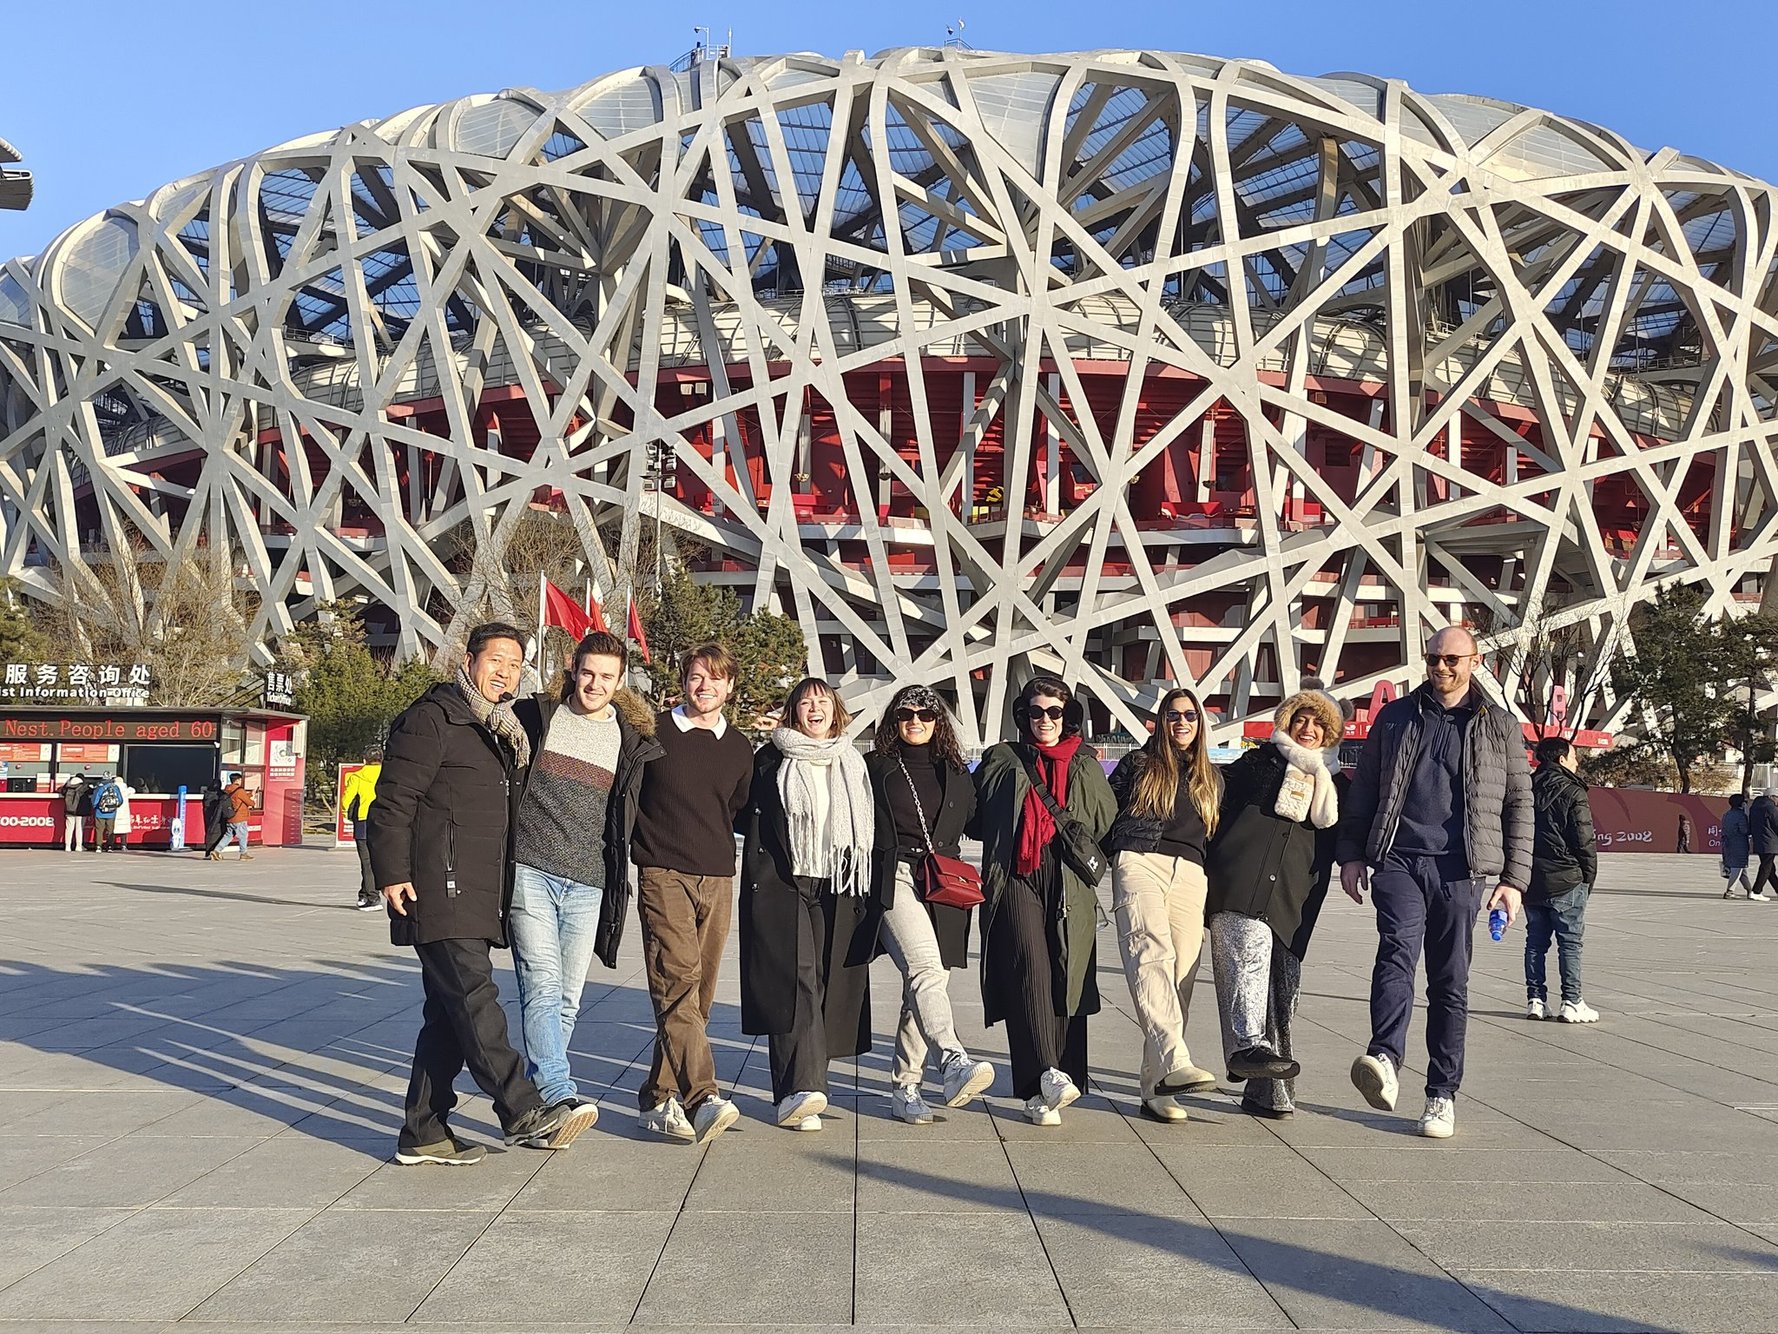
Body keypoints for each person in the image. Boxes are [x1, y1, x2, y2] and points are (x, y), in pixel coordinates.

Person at [370, 621, 594, 1165]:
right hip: (434, 887)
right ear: (467, 661)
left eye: (515, 665)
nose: (505, 672)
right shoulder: (434, 720)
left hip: (476, 889)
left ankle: (423, 1130)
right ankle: (522, 1110)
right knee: (475, 998)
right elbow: (391, 801)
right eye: (496, 660)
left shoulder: (497, 729)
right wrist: (391, 873)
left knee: (447, 1014)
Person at [1336, 626, 1531, 1140]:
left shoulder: (1500, 726)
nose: (1441, 668)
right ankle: (1384, 1056)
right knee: (1395, 951)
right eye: (1433, 658)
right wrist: (1352, 854)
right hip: (1399, 858)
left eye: (1451, 659)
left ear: (1475, 660)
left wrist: (1514, 880)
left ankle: (1441, 1094)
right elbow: (1366, 791)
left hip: (1462, 870)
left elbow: (1519, 805)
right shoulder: (1396, 716)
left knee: (1450, 982)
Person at [509, 631, 663, 1118]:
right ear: (573, 668)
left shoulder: (629, 740)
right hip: (530, 869)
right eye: (588, 672)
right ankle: (557, 1088)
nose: (594, 684)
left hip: (588, 882)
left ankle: (542, 1095)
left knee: (570, 998)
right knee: (542, 984)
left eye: (606, 677)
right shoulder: (538, 718)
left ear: (620, 682)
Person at [974, 678, 1116, 1125]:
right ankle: (1047, 1073)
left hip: (1069, 877)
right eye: (1036, 712)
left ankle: (1044, 1091)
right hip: (1017, 873)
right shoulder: (1003, 759)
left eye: (1055, 712)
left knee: (1064, 972)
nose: (1045, 721)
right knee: (1028, 969)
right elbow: (974, 816)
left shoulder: (1085, 763)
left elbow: (1104, 820)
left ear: (1067, 716)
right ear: (1024, 716)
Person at [630, 642, 755, 1144]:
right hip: (664, 873)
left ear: (729, 687)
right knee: (676, 980)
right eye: (696, 676)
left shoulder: (739, 747)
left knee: (697, 993)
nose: (705, 686)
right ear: (683, 681)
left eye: (715, 678)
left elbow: (740, 809)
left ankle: (658, 1098)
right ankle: (702, 1096)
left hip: (719, 876)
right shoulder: (654, 733)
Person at [739, 677, 876, 1130]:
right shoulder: (772, 759)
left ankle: (795, 1089)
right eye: (805, 702)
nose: (814, 708)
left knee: (823, 980)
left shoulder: (853, 761)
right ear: (793, 711)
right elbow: (742, 810)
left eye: (822, 701)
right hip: (785, 880)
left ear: (835, 709)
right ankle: (805, 1089)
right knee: (793, 979)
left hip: (838, 882)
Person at [1206, 687, 1344, 1119]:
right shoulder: (1256, 765)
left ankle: (1267, 1092)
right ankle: (1246, 1051)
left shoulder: (1337, 785)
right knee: (1247, 972)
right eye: (1300, 720)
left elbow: (1350, 838)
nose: (1308, 729)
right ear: (1285, 723)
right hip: (1240, 888)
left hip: (1292, 901)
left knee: (1284, 996)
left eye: (1318, 723)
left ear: (1330, 732)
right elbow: (1208, 798)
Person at [863, 684, 995, 1124]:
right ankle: (953, 1060)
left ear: (939, 721)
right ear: (893, 721)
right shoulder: (875, 767)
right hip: (894, 876)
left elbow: (978, 820)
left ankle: (905, 1087)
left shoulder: (955, 770)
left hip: (943, 883)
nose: (915, 721)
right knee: (924, 968)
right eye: (905, 714)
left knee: (922, 984)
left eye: (926, 714)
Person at [1104, 687, 1223, 1124]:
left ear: (1200, 722)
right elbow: (1102, 811)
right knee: (1149, 955)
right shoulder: (1138, 765)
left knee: (1181, 977)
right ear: (1160, 720)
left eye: (1190, 715)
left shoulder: (1212, 777)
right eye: (1173, 715)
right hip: (1140, 861)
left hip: (1191, 873)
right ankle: (1175, 1060)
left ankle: (1157, 1087)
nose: (1182, 723)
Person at [1524, 737, 1599, 1024]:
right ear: (1561, 759)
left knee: (1535, 943)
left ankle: (1535, 1000)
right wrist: (1587, 877)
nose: (1577, 762)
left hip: (1531, 877)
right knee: (1569, 943)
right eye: (1574, 756)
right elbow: (1584, 841)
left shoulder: (1525, 787)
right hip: (1566, 878)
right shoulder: (1573, 791)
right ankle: (1572, 1001)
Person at [342, 750, 385, 910]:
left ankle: (373, 898)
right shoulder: (388, 775)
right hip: (385, 820)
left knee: (367, 861)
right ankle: (364, 893)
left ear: (364, 759)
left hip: (364, 820)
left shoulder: (357, 776)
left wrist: (346, 814)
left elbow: (347, 799)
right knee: (378, 859)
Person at [209, 774, 255, 861]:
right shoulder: (240, 790)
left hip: (230, 816)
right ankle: (243, 854)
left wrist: (249, 794)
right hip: (239, 817)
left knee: (228, 835)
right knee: (243, 835)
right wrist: (252, 799)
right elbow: (250, 803)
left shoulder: (227, 789)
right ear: (237, 780)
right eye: (240, 780)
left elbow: (236, 798)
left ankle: (216, 851)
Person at [1747, 788, 1778, 901]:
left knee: (1769, 868)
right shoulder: (1771, 808)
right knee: (1766, 867)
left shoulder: (1755, 807)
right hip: (1770, 842)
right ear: (1771, 797)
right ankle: (1756, 891)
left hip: (1759, 840)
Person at [1722, 794, 1754, 900]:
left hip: (1727, 844)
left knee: (1741, 869)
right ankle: (1729, 891)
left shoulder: (1726, 814)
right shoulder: (1741, 815)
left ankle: (1750, 890)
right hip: (1739, 844)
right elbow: (1744, 830)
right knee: (1737, 867)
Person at [91, 775, 124, 852]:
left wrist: (96, 807)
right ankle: (109, 846)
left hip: (99, 812)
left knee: (99, 830)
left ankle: (99, 846)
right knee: (110, 830)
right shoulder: (115, 788)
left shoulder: (100, 787)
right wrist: (114, 807)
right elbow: (120, 800)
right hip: (112, 813)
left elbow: (95, 800)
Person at [60, 771, 89, 853]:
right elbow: (91, 792)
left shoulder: (67, 786)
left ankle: (67, 846)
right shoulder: (84, 787)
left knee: (69, 828)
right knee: (79, 828)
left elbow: (62, 792)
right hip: (80, 811)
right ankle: (78, 846)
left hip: (69, 810)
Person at [199, 779, 227, 856]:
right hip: (217, 818)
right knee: (217, 834)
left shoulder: (207, 794)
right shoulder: (219, 795)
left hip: (207, 816)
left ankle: (208, 852)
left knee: (209, 832)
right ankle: (213, 852)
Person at [111, 778, 135, 852]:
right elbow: (133, 790)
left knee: (112, 829)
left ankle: (110, 846)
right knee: (123, 830)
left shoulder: (112, 789)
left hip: (113, 812)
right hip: (124, 813)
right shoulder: (126, 790)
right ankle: (123, 845)